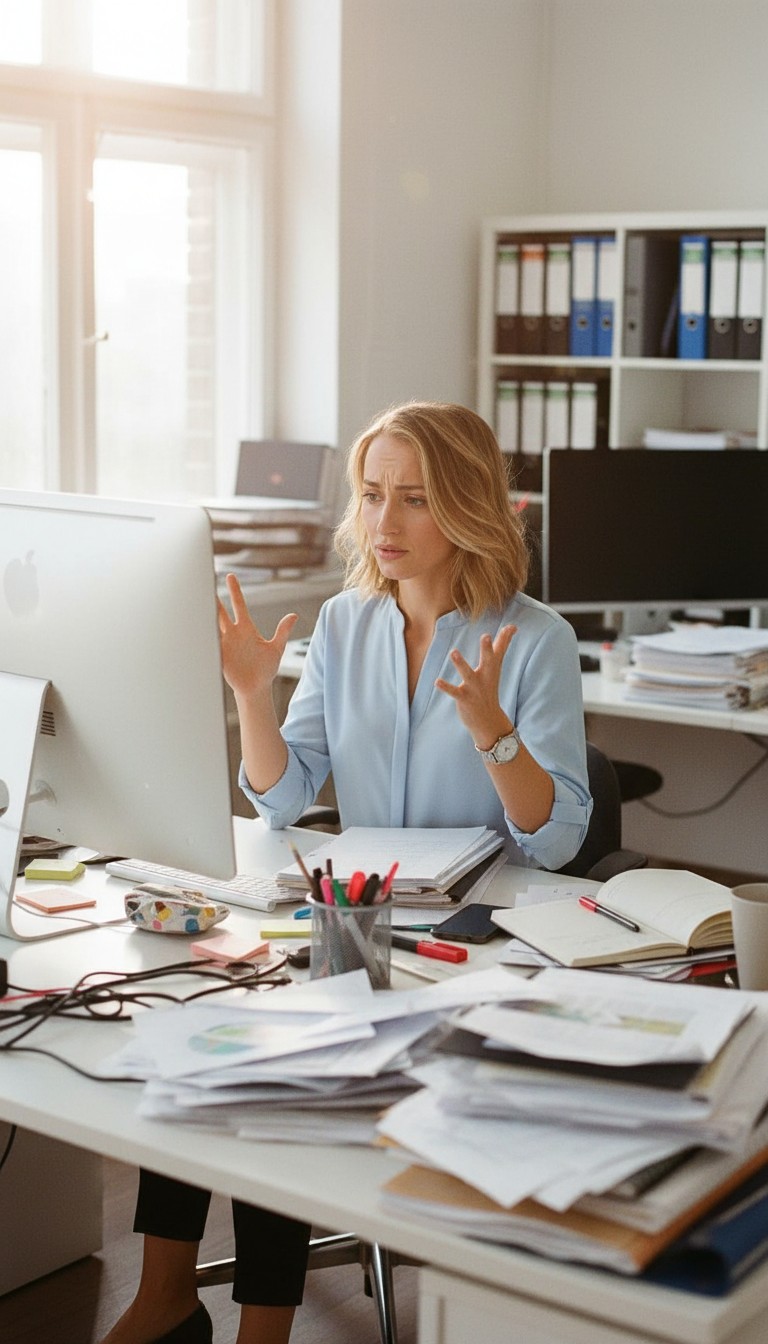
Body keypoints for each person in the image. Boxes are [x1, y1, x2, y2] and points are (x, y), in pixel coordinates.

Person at [100, 400, 590, 1344]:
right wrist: (250, 695)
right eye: (372, 497)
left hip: (472, 938)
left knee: (293, 1057)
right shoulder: (342, 622)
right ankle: (164, 1295)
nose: (385, 524)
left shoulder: (534, 641)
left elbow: (558, 839)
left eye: (414, 499)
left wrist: (492, 732)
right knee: (212, 1017)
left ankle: (264, 1328)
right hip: (353, 917)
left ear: (469, 506)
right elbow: (284, 797)